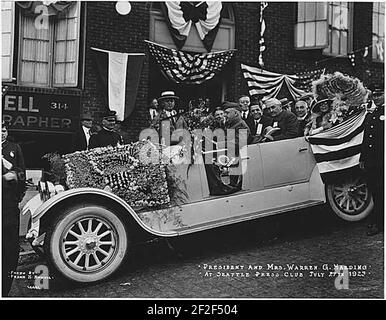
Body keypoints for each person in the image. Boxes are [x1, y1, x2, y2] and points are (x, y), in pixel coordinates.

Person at [2, 121, 26, 296]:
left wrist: (15, 176)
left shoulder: (14, 148)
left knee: (9, 248)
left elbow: (22, 173)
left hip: (8, 205)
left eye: (4, 130)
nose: (2, 133)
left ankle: (5, 289)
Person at [360, 103, 384, 236]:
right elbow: (366, 137)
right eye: (375, 94)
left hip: (382, 159)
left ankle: (380, 223)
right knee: (375, 191)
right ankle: (378, 220)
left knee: (381, 191)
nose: (377, 97)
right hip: (372, 160)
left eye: (380, 94)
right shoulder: (372, 113)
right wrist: (363, 157)